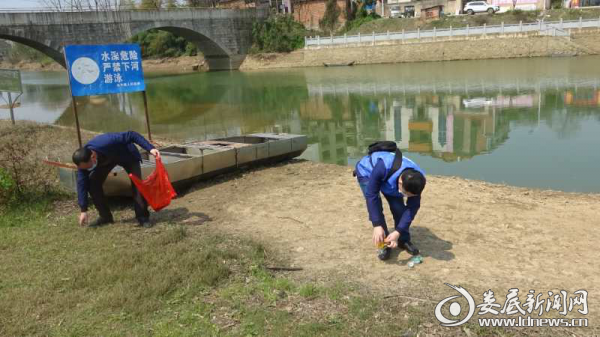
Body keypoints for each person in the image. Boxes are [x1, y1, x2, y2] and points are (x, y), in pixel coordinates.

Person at [71, 131, 160, 228]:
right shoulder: (83, 164)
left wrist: (150, 148)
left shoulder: (107, 141)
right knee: (93, 184)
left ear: (93, 157)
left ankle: (142, 217)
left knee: (137, 184)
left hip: (126, 154)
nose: (88, 170)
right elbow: (81, 184)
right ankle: (105, 217)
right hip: (105, 161)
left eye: (89, 166)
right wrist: (83, 210)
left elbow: (132, 135)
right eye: (85, 168)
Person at [355, 147, 426, 261]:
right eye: (406, 194)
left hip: (391, 178)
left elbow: (412, 208)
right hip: (368, 173)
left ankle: (403, 240)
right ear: (400, 182)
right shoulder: (383, 167)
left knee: (398, 208)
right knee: (377, 207)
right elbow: (372, 196)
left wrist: (397, 232)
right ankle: (384, 244)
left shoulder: (418, 180)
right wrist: (377, 225)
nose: (406, 197)